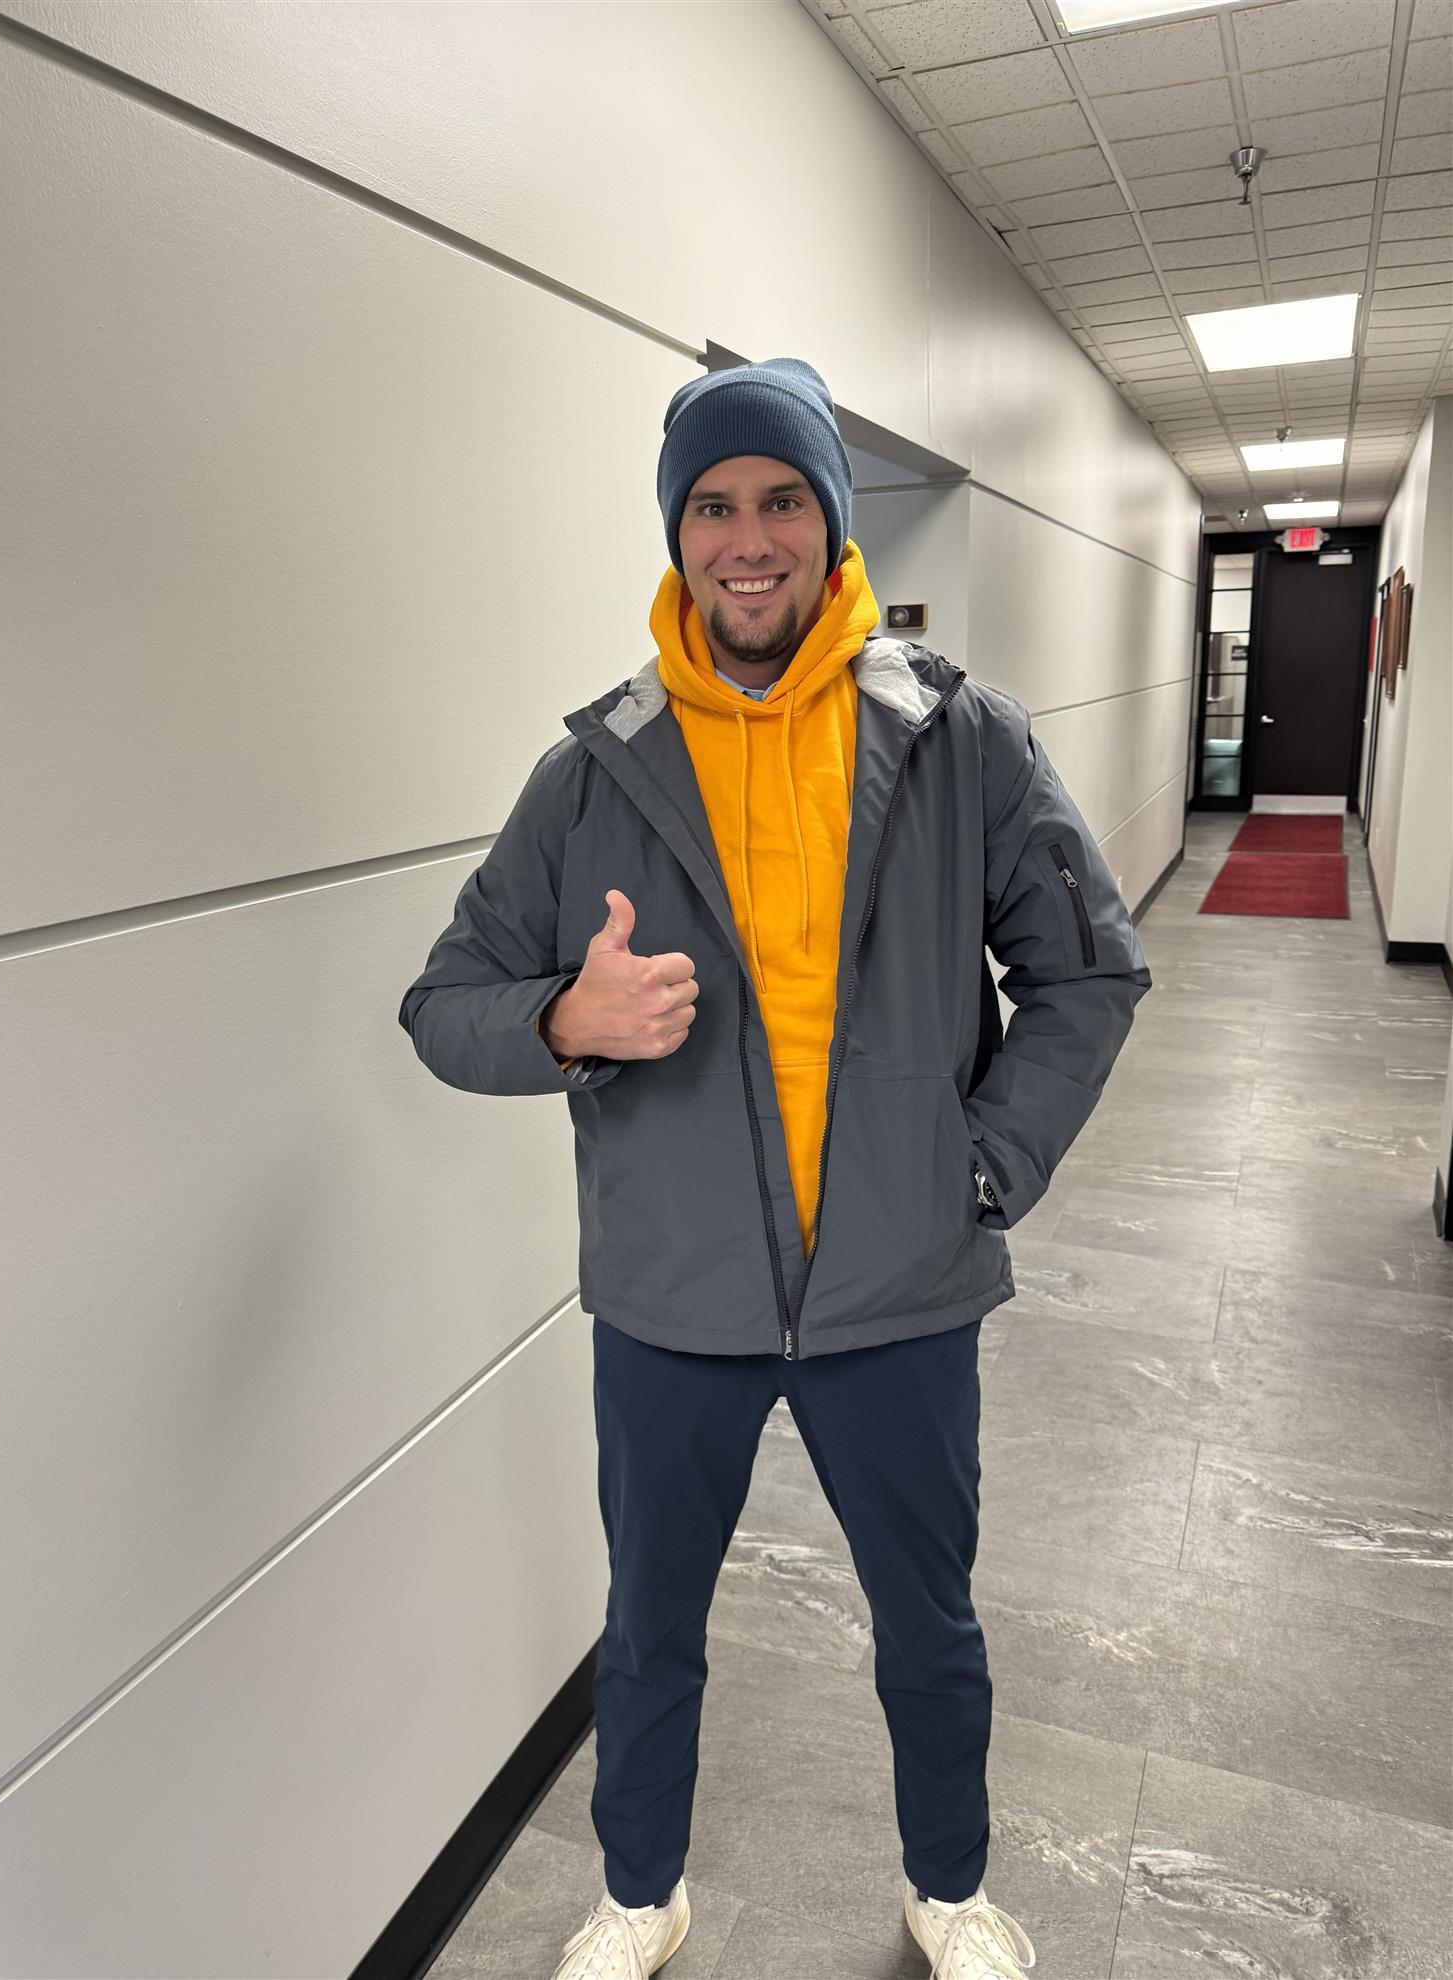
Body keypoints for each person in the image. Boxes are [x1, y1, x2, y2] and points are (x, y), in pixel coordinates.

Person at [398, 357, 1152, 1979]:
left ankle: (947, 1888)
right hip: (672, 1297)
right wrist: (563, 1018)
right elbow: (442, 1004)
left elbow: (1088, 970)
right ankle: (638, 1892)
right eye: (713, 507)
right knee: (648, 1628)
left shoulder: (958, 739)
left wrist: (982, 1170)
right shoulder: (592, 772)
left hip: (900, 1285)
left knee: (928, 1624)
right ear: (677, 535)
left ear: (831, 520)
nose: (748, 540)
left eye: (782, 501)